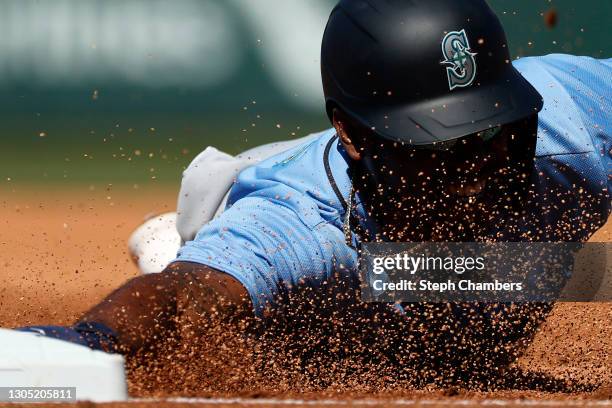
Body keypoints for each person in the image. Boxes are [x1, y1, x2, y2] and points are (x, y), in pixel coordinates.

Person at [17, 0, 610, 378]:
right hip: (329, 274)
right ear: (352, 134)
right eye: (438, 149)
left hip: (480, 269)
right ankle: (193, 228)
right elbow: (188, 296)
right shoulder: (300, 221)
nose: (477, 178)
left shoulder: (571, 117)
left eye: (491, 134)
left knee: (564, 280)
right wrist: (81, 345)